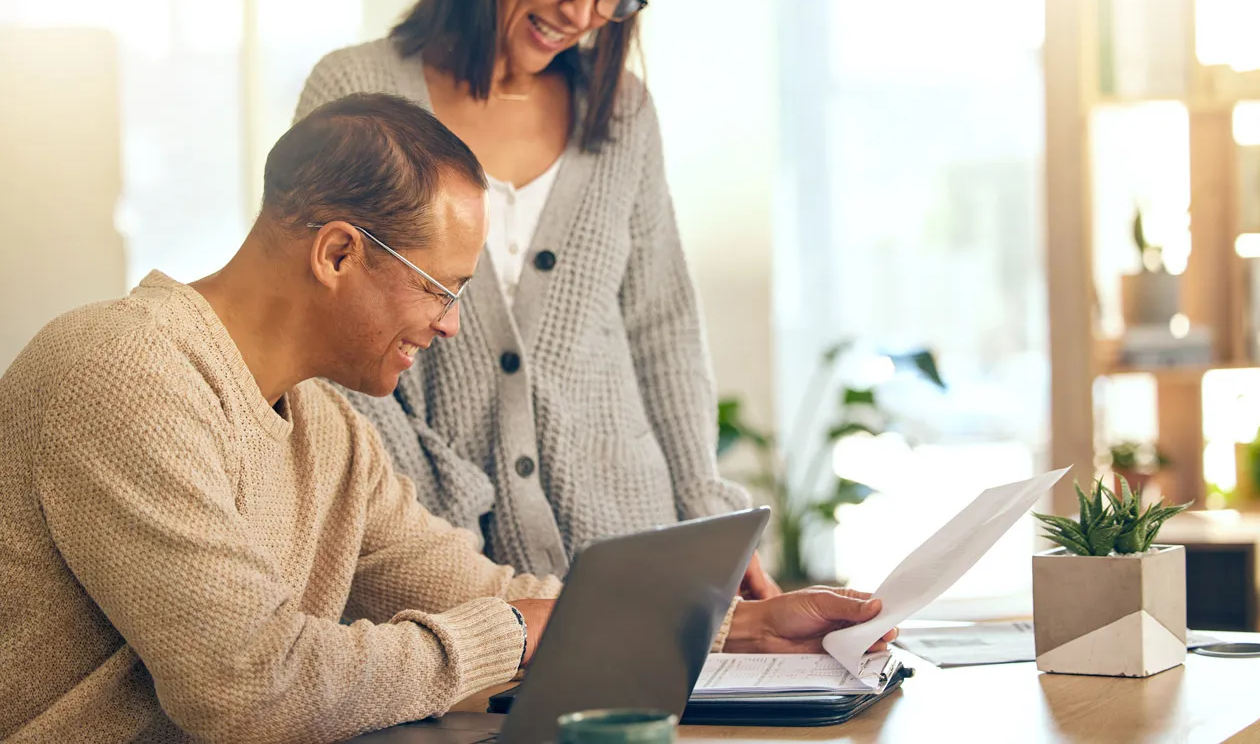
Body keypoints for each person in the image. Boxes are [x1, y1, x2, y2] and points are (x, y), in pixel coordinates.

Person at [0, 93, 895, 743]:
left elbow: (481, 595)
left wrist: (734, 629)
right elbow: (248, 686)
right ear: (339, 252)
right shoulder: (121, 373)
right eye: (441, 288)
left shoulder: (327, 426)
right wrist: (503, 637)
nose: (451, 324)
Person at [296, 0, 781, 598]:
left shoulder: (622, 112)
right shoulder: (355, 91)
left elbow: (662, 328)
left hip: (631, 556)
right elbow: (330, 337)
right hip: (439, 566)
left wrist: (707, 516)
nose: (582, 12)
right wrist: (430, 521)